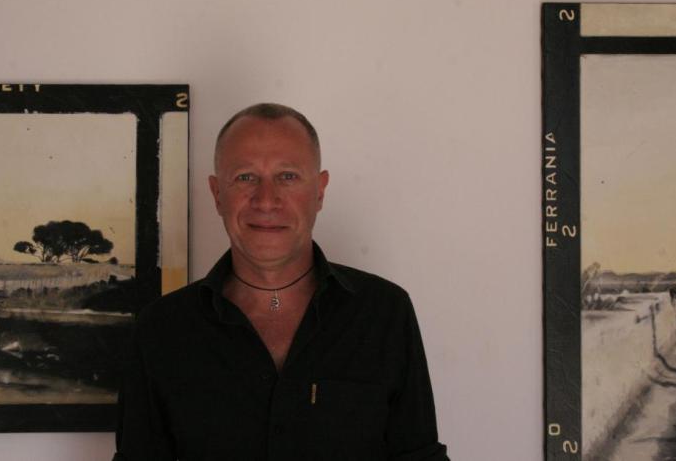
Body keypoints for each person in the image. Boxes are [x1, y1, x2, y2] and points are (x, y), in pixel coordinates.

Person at [113, 103, 450, 460]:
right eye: (246, 177)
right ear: (217, 194)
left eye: (287, 176)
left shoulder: (384, 313)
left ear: (319, 191)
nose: (266, 200)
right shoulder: (161, 330)